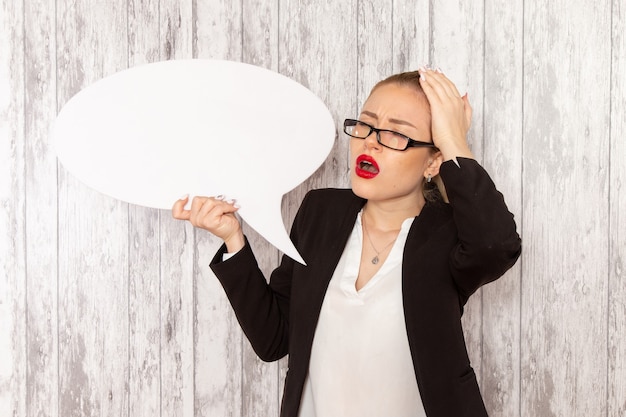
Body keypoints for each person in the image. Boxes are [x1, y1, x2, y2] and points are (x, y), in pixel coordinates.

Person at [172, 67, 521, 417]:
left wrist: (454, 141)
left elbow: (497, 246)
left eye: (396, 134)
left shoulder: (450, 234)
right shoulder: (320, 212)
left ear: (433, 161)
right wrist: (233, 239)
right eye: (366, 126)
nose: (370, 141)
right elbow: (274, 339)